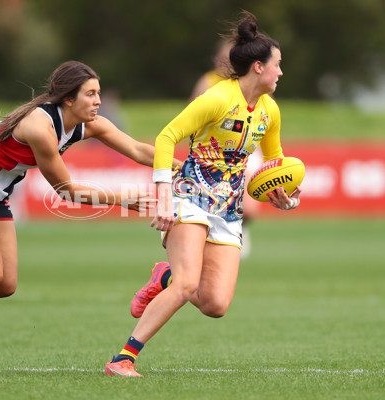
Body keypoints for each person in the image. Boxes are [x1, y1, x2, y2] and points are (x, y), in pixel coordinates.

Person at [0, 61, 178, 375]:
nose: (98, 101)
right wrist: (122, 200)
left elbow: (138, 150)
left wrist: (183, 167)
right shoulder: (40, 127)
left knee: (4, 283)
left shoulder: (89, 123)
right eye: (90, 94)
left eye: (98, 93)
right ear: (69, 99)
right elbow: (66, 190)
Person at [105, 11, 302, 377]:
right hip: (189, 195)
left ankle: (162, 277)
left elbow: (274, 163)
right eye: (278, 65)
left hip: (228, 207)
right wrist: (164, 197)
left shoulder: (270, 111)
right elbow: (167, 137)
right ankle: (123, 359)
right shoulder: (216, 97)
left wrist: (284, 194)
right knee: (186, 285)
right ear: (258, 67)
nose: (281, 72)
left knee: (215, 304)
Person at [191, 37, 262, 259]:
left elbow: (264, 114)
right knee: (214, 206)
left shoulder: (253, 82)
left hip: (247, 149)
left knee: (249, 209)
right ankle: (217, 240)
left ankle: (240, 229)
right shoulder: (208, 82)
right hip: (215, 152)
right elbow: (193, 116)